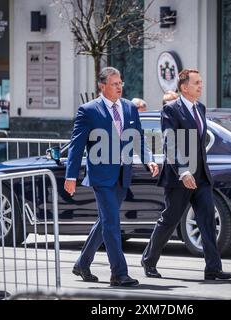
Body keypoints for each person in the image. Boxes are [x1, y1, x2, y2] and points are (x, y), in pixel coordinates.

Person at [64, 67, 159, 287]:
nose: (119, 87)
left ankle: (82, 263)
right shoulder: (88, 111)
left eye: (120, 83)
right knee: (113, 223)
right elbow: (76, 147)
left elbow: (138, 138)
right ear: (102, 86)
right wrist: (71, 176)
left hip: (122, 174)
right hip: (101, 176)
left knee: (106, 221)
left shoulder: (129, 108)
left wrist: (149, 159)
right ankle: (119, 273)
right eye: (114, 84)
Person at [141, 69, 231, 280]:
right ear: (184, 87)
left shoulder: (199, 108)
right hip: (179, 177)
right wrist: (184, 171)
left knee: (207, 220)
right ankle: (149, 260)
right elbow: (170, 143)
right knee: (170, 219)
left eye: (201, 82)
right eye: (197, 83)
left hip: (201, 176)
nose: (201, 86)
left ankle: (213, 268)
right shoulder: (171, 110)